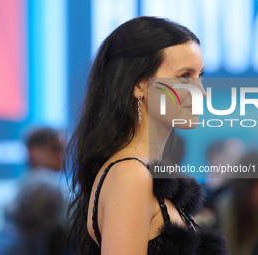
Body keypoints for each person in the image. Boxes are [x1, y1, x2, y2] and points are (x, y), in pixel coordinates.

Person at [65, 16, 228, 255]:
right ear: (139, 84)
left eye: (199, 76)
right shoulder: (130, 175)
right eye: (184, 76)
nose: (200, 93)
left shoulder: (142, 172)